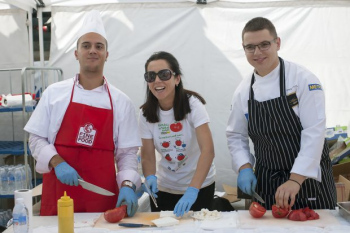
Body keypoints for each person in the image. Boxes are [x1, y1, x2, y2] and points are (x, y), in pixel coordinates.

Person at [24, 10, 142, 216]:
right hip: (59, 194)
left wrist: (127, 184)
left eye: (99, 46)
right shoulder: (54, 94)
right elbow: (35, 139)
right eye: (86, 46)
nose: (92, 51)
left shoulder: (121, 102)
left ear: (107, 54)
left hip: (102, 198)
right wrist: (57, 163)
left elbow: (127, 154)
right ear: (76, 53)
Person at [226, 17, 336, 210]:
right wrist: (244, 167)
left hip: (308, 180)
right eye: (250, 47)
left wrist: (295, 179)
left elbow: (314, 132)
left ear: (277, 43)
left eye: (264, 44)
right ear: (243, 48)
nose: (257, 52)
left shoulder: (303, 80)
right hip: (267, 181)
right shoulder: (243, 91)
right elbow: (235, 134)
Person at [139, 51, 216, 217]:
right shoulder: (145, 114)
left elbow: (208, 150)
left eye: (164, 74)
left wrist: (193, 189)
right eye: (151, 76)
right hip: (164, 188)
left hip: (199, 186)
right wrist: (150, 176)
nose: (157, 80)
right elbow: (147, 155)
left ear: (177, 79)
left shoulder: (193, 105)